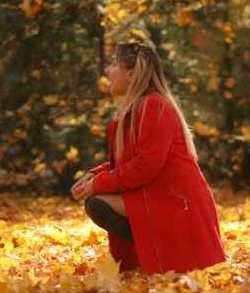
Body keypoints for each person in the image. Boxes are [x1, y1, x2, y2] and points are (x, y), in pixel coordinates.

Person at [70, 41, 226, 275]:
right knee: (97, 201)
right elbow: (135, 159)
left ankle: (165, 255)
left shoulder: (154, 106)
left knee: (98, 204)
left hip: (177, 204)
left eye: (114, 64)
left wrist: (98, 184)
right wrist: (96, 173)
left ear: (131, 74)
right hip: (166, 197)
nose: (107, 71)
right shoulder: (143, 106)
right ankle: (157, 255)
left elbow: (144, 166)